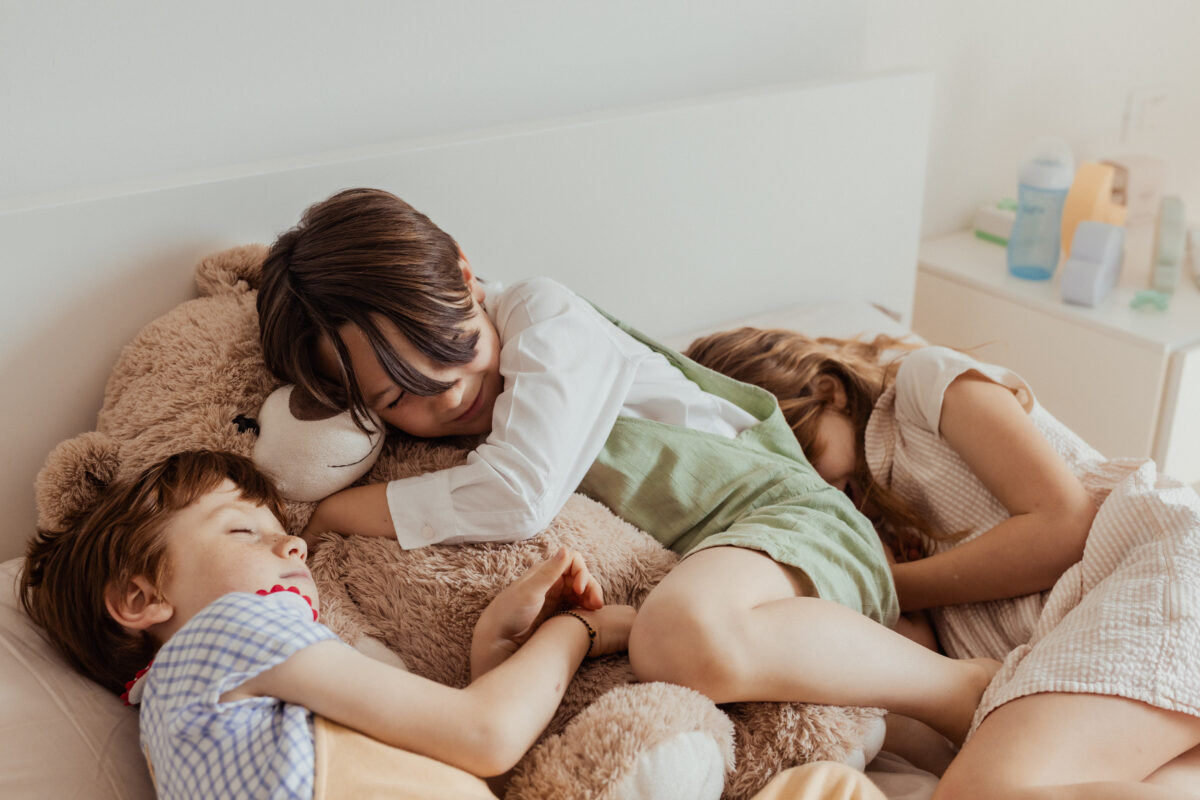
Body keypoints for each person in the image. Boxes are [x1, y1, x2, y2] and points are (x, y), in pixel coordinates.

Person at [255, 187, 997, 747]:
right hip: (740, 579)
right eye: (397, 396)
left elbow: (518, 497)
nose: (447, 392)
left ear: (464, 274)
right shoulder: (430, 413)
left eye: (454, 346)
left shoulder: (545, 319)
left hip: (793, 521)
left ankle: (963, 687)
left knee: (678, 636)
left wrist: (333, 512)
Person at [683, 327, 1200, 799]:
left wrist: (894, 584)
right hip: (1071, 647)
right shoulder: (861, 521)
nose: (806, 485)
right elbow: (918, 656)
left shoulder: (923, 387)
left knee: (979, 792)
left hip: (1155, 570)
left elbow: (1064, 522)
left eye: (801, 456)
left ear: (828, 391)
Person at [21, 449, 633, 799]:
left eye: (282, 529)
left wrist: (493, 648)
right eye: (244, 530)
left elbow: (458, 766)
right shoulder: (231, 629)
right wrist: (580, 632)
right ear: (139, 597)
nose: (294, 546)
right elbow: (483, 736)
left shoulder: (194, 717)